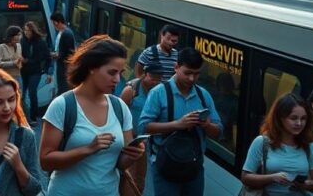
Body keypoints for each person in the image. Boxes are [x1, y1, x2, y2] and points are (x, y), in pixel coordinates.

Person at [38, 34, 144, 194]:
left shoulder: (120, 107)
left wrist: (133, 155)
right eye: (112, 72)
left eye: (120, 73)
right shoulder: (63, 105)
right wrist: (88, 149)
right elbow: (45, 162)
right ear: (91, 68)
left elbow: (119, 164)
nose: (117, 79)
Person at [138, 48, 223, 196]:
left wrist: (207, 125)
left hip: (194, 167)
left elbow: (219, 131)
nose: (192, 79)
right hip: (165, 165)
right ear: (176, 67)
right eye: (188, 73)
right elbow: (143, 127)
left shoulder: (203, 96)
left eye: (196, 74)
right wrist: (178, 124)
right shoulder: (159, 93)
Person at [241, 93, 313, 194]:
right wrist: (272, 178)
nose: (299, 123)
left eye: (303, 118)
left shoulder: (309, 146)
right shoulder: (262, 142)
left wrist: (305, 185)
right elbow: (245, 177)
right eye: (293, 118)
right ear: (280, 118)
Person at [120, 60, 165, 193]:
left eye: (159, 79)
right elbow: (119, 114)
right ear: (144, 75)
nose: (155, 82)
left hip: (146, 143)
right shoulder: (130, 90)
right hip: (131, 141)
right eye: (152, 78)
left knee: (140, 177)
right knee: (129, 177)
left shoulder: (159, 92)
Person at [19, 21, 51, 122]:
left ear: (33, 31)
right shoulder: (22, 41)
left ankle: (33, 116)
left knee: (32, 92)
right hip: (23, 71)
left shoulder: (40, 42)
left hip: (35, 71)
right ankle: (21, 116)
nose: (26, 32)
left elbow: (46, 57)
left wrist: (47, 71)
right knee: (21, 93)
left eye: (28, 31)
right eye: (25, 30)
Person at [50, 13, 76, 96]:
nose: (54, 25)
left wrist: (56, 55)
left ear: (58, 22)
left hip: (63, 67)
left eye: (54, 23)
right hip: (60, 65)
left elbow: (69, 53)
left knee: (63, 88)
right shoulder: (61, 33)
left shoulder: (66, 34)